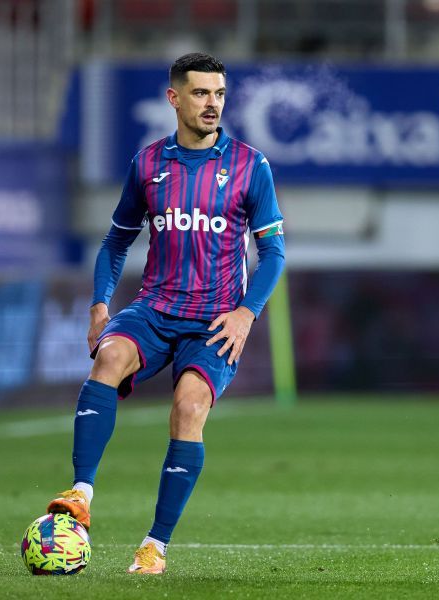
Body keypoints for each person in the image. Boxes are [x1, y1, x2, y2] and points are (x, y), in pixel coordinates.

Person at [45, 53, 286, 574]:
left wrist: (246, 313)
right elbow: (115, 242)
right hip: (154, 306)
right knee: (108, 357)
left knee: (189, 408)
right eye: (201, 94)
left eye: (219, 94)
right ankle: (81, 494)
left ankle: (155, 546)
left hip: (216, 317)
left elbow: (274, 254)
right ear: (174, 98)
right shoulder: (149, 164)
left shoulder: (250, 165)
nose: (212, 104)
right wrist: (99, 305)